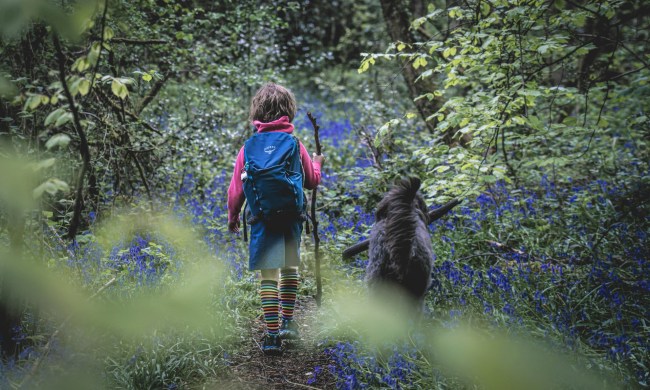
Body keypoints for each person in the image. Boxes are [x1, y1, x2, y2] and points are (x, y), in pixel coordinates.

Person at [227, 83, 324, 355]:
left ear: (257, 112)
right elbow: (311, 181)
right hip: (291, 217)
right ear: (289, 111)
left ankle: (271, 337)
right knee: (290, 268)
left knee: (268, 276)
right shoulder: (295, 144)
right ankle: (288, 324)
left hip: (261, 219)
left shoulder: (247, 148)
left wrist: (233, 215)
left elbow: (236, 189)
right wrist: (317, 162)